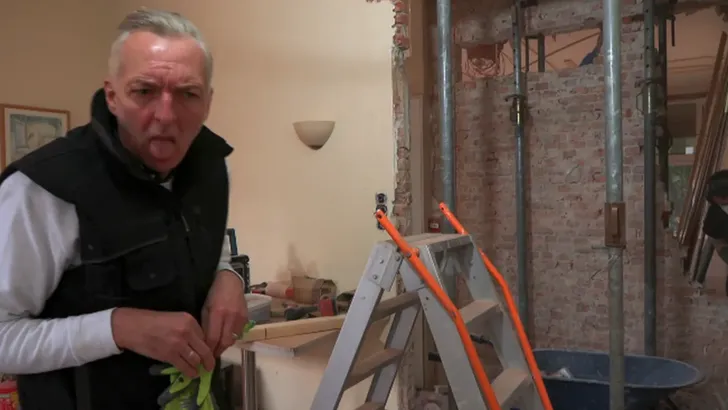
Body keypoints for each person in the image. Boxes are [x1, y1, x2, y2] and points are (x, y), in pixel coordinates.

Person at [0, 8, 248, 410]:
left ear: (208, 102)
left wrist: (228, 276)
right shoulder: (41, 190)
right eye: (144, 91)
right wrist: (117, 328)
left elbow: (207, 245)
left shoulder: (214, 168)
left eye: (188, 94)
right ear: (112, 96)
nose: (166, 116)